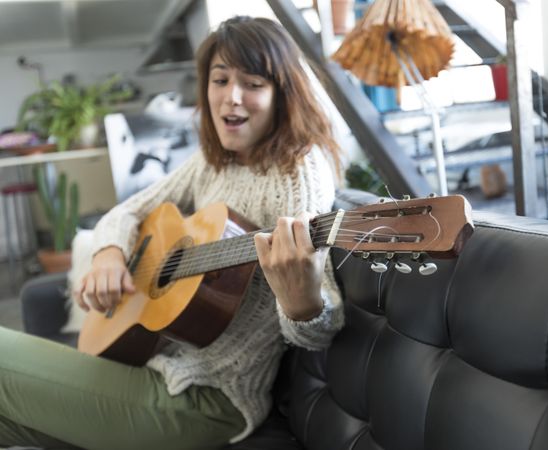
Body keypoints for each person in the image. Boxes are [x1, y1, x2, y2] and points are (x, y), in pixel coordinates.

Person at [0, 16, 344, 449]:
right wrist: (108, 254)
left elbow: (316, 331)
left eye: (253, 83)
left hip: (207, 401)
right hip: (150, 364)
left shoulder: (298, 171)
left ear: (283, 94)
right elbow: (126, 212)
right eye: (220, 80)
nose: (230, 98)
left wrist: (301, 300)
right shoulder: (216, 161)